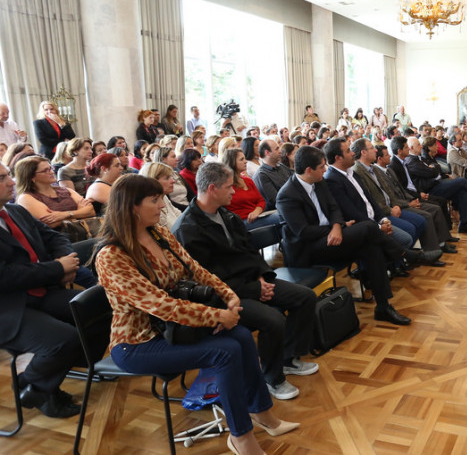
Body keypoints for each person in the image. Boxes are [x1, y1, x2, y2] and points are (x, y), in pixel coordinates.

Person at [94, 175, 299, 454]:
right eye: (154, 201)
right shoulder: (112, 255)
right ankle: (241, 437)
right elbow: (161, 305)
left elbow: (196, 270)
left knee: (240, 335)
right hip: (138, 342)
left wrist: (229, 295)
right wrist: (216, 316)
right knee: (225, 351)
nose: (161, 206)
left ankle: (262, 413)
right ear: (131, 206)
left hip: (173, 327)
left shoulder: (159, 234)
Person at [173, 163, 318, 400]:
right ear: (212, 188)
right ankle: (272, 378)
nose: (234, 192)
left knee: (305, 297)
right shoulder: (188, 229)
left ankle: (288, 357)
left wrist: (262, 277)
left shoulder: (226, 214)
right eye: (229, 187)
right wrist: (253, 288)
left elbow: (249, 251)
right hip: (221, 297)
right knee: (273, 320)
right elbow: (209, 279)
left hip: (249, 282)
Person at [0, 161, 108, 419]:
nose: (11, 181)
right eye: (3, 178)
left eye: (8, 176)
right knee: (64, 339)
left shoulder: (14, 211)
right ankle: (33, 385)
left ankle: (57, 371)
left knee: (100, 307)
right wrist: (57, 269)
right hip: (9, 306)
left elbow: (54, 236)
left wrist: (66, 260)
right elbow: (4, 276)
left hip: (39, 290)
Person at [276, 146, 411, 325]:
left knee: (372, 247)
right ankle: (404, 253)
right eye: (322, 167)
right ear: (309, 170)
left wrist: (337, 226)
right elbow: (304, 232)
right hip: (310, 249)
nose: (325, 170)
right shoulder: (287, 195)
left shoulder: (319, 181)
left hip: (332, 239)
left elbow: (334, 208)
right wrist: (337, 227)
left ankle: (383, 307)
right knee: (368, 228)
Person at [322, 138, 442, 266]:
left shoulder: (354, 172)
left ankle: (402, 260)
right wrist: (382, 221)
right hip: (366, 222)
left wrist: (384, 218)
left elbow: (377, 196)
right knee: (408, 233)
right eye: (348, 151)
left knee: (421, 221)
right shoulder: (339, 177)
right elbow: (352, 211)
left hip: (380, 213)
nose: (352, 153)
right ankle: (402, 260)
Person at [15, 156, 96, 231]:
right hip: (59, 240)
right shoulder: (26, 197)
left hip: (84, 232)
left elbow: (91, 211)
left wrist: (65, 215)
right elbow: (52, 223)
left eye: (50, 168)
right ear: (31, 177)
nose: (51, 172)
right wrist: (80, 212)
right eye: (45, 170)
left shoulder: (66, 190)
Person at [138, 162, 183, 229]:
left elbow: (180, 216)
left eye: (171, 177)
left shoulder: (164, 197)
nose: (173, 181)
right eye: (167, 178)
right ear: (154, 181)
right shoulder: (149, 206)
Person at [252, 139, 293, 211]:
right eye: (277, 149)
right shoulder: (261, 175)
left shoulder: (281, 166)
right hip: (279, 210)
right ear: (267, 152)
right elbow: (275, 200)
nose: (280, 151)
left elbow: (295, 183)